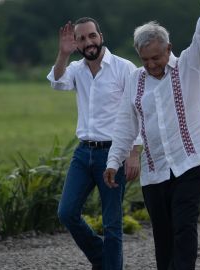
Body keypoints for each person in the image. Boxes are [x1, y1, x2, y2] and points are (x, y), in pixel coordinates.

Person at [103, 0, 200, 268]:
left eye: (156, 58)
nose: (151, 64)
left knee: (183, 227)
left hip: (188, 162)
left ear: (168, 49)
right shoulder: (135, 79)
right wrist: (114, 161)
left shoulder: (189, 66)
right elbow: (125, 124)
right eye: (145, 59)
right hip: (155, 169)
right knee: (163, 234)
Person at [46, 17, 141, 270]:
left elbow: (138, 111)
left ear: (101, 36)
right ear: (76, 44)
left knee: (111, 223)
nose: (88, 42)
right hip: (83, 153)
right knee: (66, 213)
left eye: (92, 36)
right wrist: (63, 54)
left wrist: (133, 153)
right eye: (81, 39)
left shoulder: (124, 68)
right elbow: (56, 81)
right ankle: (102, 258)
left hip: (114, 153)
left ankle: (110, 266)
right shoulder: (76, 69)